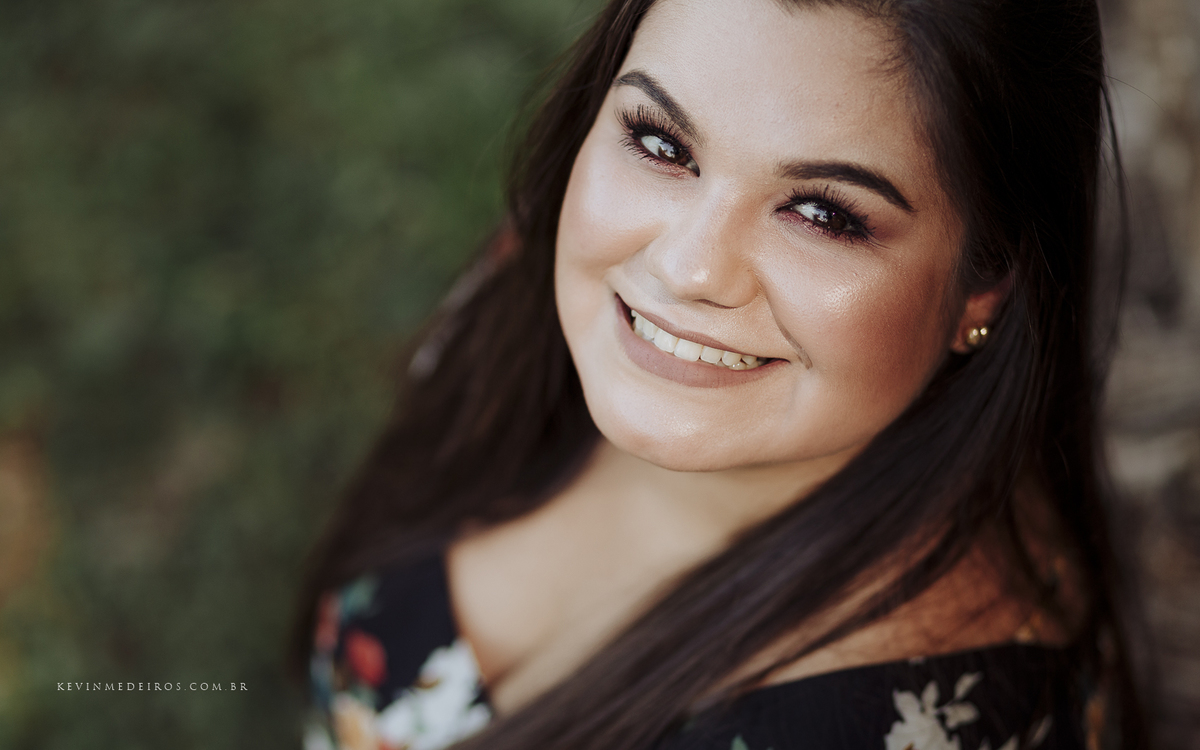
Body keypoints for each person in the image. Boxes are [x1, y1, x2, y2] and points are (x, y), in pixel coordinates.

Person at [296, 0, 1147, 748]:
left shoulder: (879, 726)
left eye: (822, 214)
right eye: (660, 142)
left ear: (984, 282)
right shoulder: (534, 281)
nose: (687, 267)